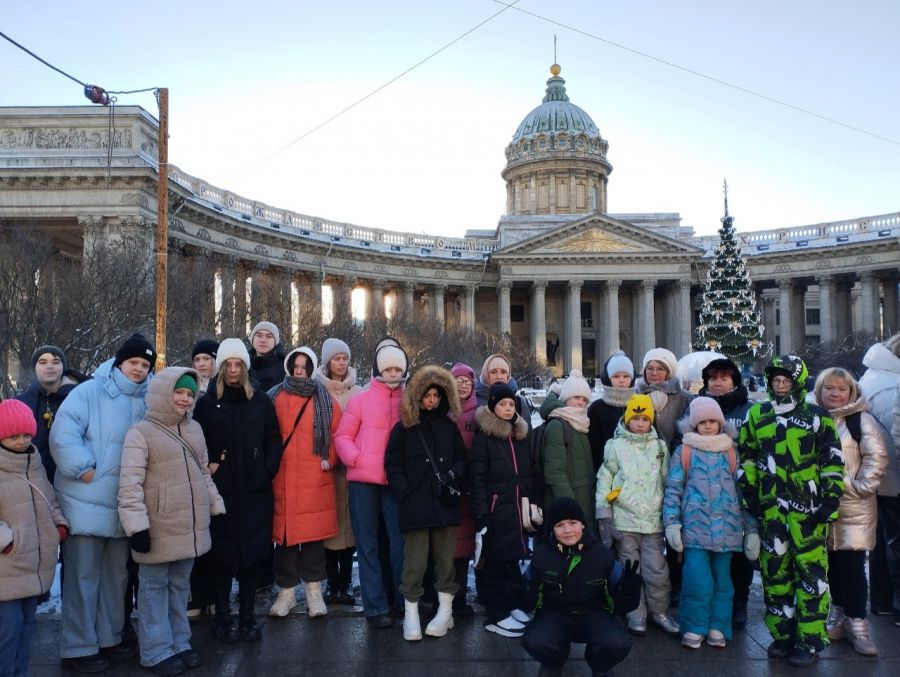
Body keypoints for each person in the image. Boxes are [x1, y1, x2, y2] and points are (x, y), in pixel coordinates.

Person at [50, 333, 155, 673]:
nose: (138, 369)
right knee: (83, 577)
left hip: (123, 504)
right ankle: (78, 647)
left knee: (116, 578)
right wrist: (84, 469)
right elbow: (64, 432)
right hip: (85, 499)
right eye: (133, 362)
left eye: (144, 364)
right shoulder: (89, 391)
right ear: (119, 362)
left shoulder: (149, 398)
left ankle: (109, 637)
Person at [738, 355, 844, 667]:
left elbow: (833, 461)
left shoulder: (816, 417)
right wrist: (750, 494)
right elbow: (747, 457)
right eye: (776, 380)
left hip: (808, 515)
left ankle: (809, 641)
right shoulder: (757, 415)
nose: (780, 385)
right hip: (771, 513)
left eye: (786, 380)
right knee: (775, 577)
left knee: (811, 579)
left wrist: (830, 500)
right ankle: (782, 635)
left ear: (797, 382)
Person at [118, 368, 225, 676]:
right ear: (164, 393)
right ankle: (154, 650)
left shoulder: (195, 430)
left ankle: (179, 642)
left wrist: (215, 507)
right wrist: (137, 527)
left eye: (190, 394)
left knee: (179, 588)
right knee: (153, 590)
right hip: (157, 527)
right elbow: (130, 485)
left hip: (188, 527)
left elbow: (203, 473)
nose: (184, 399)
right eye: (179, 392)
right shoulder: (141, 432)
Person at [193, 338, 282, 644]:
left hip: (255, 489)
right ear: (220, 368)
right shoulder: (206, 403)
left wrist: (267, 467)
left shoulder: (259, 400)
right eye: (227, 364)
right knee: (222, 556)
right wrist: (212, 465)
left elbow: (274, 438)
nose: (232, 370)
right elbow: (196, 441)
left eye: (237, 364)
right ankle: (221, 615)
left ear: (245, 366)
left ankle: (247, 616)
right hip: (222, 490)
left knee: (252, 557)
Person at [663, 397, 757, 649]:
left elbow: (743, 495)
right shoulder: (684, 451)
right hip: (695, 530)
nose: (707, 426)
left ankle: (718, 624)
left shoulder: (730, 452)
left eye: (712, 421)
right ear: (694, 425)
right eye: (702, 422)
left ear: (720, 423)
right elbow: (673, 490)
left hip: (728, 530)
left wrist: (751, 530)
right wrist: (671, 523)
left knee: (723, 581)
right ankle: (694, 625)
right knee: (696, 580)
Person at [385, 365, 465, 641]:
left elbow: (460, 458)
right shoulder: (404, 429)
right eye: (427, 395)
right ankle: (411, 614)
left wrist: (453, 476)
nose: (431, 400)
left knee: (445, 561)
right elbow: (392, 463)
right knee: (415, 563)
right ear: (417, 396)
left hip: (444, 503)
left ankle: (445, 611)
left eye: (436, 395)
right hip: (415, 505)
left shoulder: (449, 427)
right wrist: (404, 492)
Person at [813, 368, 888, 656]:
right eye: (829, 388)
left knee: (853, 565)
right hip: (820, 505)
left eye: (841, 389)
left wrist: (860, 487)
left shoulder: (860, 420)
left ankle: (858, 624)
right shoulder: (812, 418)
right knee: (831, 564)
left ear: (851, 392)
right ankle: (840, 614)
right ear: (820, 391)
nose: (835, 393)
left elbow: (876, 456)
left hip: (853, 505)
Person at [522, 497, 641, 677]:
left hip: (595, 613)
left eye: (573, 523)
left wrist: (628, 591)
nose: (567, 530)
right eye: (560, 525)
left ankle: (600, 666)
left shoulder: (602, 554)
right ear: (552, 530)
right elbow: (528, 602)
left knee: (617, 642)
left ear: (583, 525)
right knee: (536, 640)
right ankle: (554, 662)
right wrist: (518, 591)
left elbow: (623, 605)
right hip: (555, 613)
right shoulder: (542, 555)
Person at [335, 342, 408, 628]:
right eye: (388, 368)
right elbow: (343, 436)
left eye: (397, 369)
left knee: (398, 544)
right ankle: (375, 607)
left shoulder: (408, 402)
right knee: (367, 546)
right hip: (363, 482)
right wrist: (356, 459)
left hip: (395, 483)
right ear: (379, 369)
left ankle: (402, 601)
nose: (392, 374)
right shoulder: (361, 400)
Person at [595, 393, 679, 637]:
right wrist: (604, 515)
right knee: (631, 569)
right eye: (636, 418)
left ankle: (659, 611)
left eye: (645, 419)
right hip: (625, 520)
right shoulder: (615, 446)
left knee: (656, 570)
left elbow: (667, 481)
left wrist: (671, 513)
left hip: (653, 521)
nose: (640, 423)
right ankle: (635, 612)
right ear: (627, 419)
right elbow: (604, 480)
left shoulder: (660, 447)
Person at [268, 347, 340, 619]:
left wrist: (328, 458)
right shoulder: (274, 396)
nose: (299, 371)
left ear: (311, 368)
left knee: (312, 539)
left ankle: (314, 591)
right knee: (284, 539)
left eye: (304, 366)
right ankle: (286, 592)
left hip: (314, 477)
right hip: (283, 475)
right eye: (295, 366)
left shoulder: (325, 397)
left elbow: (336, 433)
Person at [0, 399, 68, 676]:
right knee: (7, 632)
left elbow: (50, 499)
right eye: (14, 435)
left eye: (26, 435)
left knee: (28, 627)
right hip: (7, 566)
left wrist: (58, 525)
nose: (21, 440)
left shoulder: (34, 463)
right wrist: (8, 541)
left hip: (35, 565)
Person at [470, 382, 534, 637]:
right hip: (496, 508)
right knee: (495, 562)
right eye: (502, 404)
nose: (507, 409)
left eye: (511, 404)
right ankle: (497, 614)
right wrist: (482, 513)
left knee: (511, 561)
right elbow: (476, 478)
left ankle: (512, 604)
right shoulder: (484, 438)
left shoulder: (518, 435)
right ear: (493, 407)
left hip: (516, 507)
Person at [698, 358, 755, 627]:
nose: (718, 382)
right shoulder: (694, 407)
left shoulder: (750, 410)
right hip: (702, 493)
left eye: (724, 377)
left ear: (734, 380)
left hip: (736, 491)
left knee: (738, 551)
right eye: (713, 378)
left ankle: (739, 602)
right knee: (705, 550)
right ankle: (711, 602)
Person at [634, 347, 692, 606]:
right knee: (649, 534)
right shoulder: (634, 396)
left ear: (669, 371)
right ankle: (648, 589)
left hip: (674, 472)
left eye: (660, 368)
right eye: (650, 368)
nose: (655, 373)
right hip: (642, 477)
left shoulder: (684, 399)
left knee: (675, 530)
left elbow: (687, 433)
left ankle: (675, 586)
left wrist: (672, 460)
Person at [314, 337, 361, 606]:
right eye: (336, 358)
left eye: (345, 358)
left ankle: (346, 583)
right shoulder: (317, 390)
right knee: (329, 528)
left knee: (350, 527)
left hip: (351, 468)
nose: (341, 363)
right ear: (327, 361)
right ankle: (332, 583)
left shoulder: (359, 391)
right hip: (325, 468)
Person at [858, 333, 900, 621]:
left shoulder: (873, 378)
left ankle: (883, 601)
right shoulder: (889, 385)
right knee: (895, 542)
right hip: (893, 474)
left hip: (881, 476)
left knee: (886, 539)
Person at [16, 345, 77, 484]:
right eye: (43, 362)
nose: (50, 366)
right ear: (35, 367)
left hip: (72, 481)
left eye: (55, 362)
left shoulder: (78, 399)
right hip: (31, 481)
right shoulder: (19, 404)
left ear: (63, 367)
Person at [542, 370, 595, 525]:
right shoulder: (558, 425)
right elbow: (554, 472)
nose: (581, 403)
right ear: (565, 398)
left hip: (584, 498)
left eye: (585, 399)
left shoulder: (580, 423)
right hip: (570, 502)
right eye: (576, 397)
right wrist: (569, 506)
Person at [449, 362, 478, 617]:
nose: (463, 385)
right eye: (458, 381)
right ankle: (442, 598)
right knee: (445, 546)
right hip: (446, 487)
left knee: (464, 545)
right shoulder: (441, 411)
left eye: (467, 382)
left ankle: (459, 597)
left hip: (468, 487)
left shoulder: (478, 414)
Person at [587, 351, 636, 475]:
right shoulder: (597, 409)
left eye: (626, 376)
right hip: (605, 474)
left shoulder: (639, 405)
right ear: (608, 378)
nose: (621, 381)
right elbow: (592, 447)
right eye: (616, 376)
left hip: (636, 476)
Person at [247, 321, 286, 392]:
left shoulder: (285, 367)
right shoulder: (243, 365)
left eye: (269, 336)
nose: (263, 340)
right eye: (259, 335)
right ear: (252, 339)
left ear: (275, 341)